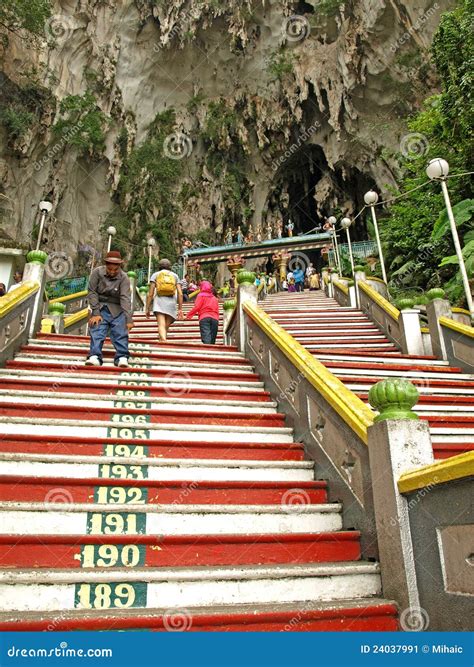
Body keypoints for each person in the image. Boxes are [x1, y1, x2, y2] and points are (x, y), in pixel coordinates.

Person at [86, 251, 133, 367]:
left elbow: (125, 298)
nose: (112, 272)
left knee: (120, 332)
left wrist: (129, 319)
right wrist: (96, 312)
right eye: (109, 269)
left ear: (119, 267)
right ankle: (95, 355)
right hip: (100, 306)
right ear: (105, 265)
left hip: (117, 308)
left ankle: (122, 356)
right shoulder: (97, 272)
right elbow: (92, 292)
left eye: (115, 270)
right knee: (97, 329)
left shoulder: (124, 278)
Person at [146, 258, 183, 342]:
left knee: (161, 325)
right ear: (170, 267)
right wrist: (180, 309)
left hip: (159, 302)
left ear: (159, 266)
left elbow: (150, 293)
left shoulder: (155, 275)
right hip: (171, 303)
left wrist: (147, 307)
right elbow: (180, 293)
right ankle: (162, 340)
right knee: (165, 326)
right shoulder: (175, 275)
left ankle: (162, 340)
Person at [186, 280, 219, 345]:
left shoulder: (200, 295)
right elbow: (217, 309)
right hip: (215, 319)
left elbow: (197, 307)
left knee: (206, 338)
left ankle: (207, 352)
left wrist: (188, 316)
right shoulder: (214, 298)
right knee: (212, 339)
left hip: (204, 317)